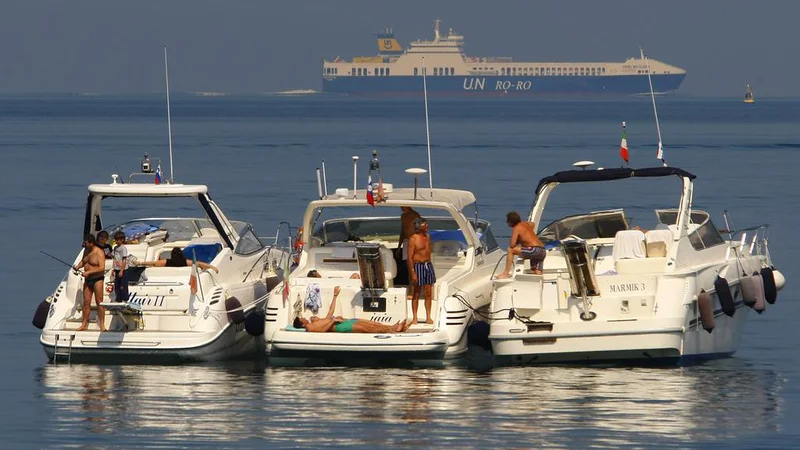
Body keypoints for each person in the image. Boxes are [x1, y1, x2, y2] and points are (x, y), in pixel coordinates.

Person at [293, 286, 409, 333]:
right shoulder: (309, 326)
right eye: (301, 318)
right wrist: (333, 321)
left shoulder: (314, 321)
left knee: (372, 323)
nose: (303, 317)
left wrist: (335, 296)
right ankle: (393, 330)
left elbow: (330, 313)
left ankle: (392, 328)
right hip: (339, 326)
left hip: (344, 321)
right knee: (366, 328)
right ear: (301, 324)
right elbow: (321, 331)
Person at [72, 234, 107, 331]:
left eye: (86, 243)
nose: (84, 245)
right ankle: (84, 324)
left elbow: (102, 268)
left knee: (99, 302)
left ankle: (102, 325)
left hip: (97, 279)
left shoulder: (99, 252)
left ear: (91, 243)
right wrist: (77, 267)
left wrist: (88, 272)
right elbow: (84, 261)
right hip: (88, 280)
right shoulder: (86, 250)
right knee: (86, 303)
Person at [496, 211, 546, 279]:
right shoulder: (526, 224)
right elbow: (533, 224)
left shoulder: (516, 228)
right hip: (542, 250)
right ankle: (539, 284)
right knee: (537, 271)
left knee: (510, 250)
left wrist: (518, 241)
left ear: (510, 221)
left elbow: (512, 245)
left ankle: (506, 273)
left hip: (534, 250)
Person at [407, 217, 435, 324]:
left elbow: (428, 252)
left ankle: (428, 317)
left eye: (427, 224)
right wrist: (413, 273)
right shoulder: (413, 238)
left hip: (428, 265)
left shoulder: (427, 236)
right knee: (417, 293)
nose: (427, 225)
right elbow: (409, 258)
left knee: (428, 293)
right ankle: (415, 317)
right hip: (418, 266)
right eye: (425, 224)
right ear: (419, 226)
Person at [137, 247, 219, 272]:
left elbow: (153, 263)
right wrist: (211, 267)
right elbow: (199, 264)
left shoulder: (166, 262)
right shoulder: (185, 262)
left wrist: (141, 263)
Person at [111, 231, 129, 302]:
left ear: (122, 240)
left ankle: (125, 299)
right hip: (116, 268)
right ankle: (118, 299)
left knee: (123, 286)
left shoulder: (123, 248)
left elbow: (124, 259)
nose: (117, 241)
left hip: (123, 269)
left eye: (118, 240)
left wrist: (121, 270)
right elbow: (114, 258)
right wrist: (113, 269)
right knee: (117, 285)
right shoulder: (115, 248)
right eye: (116, 240)